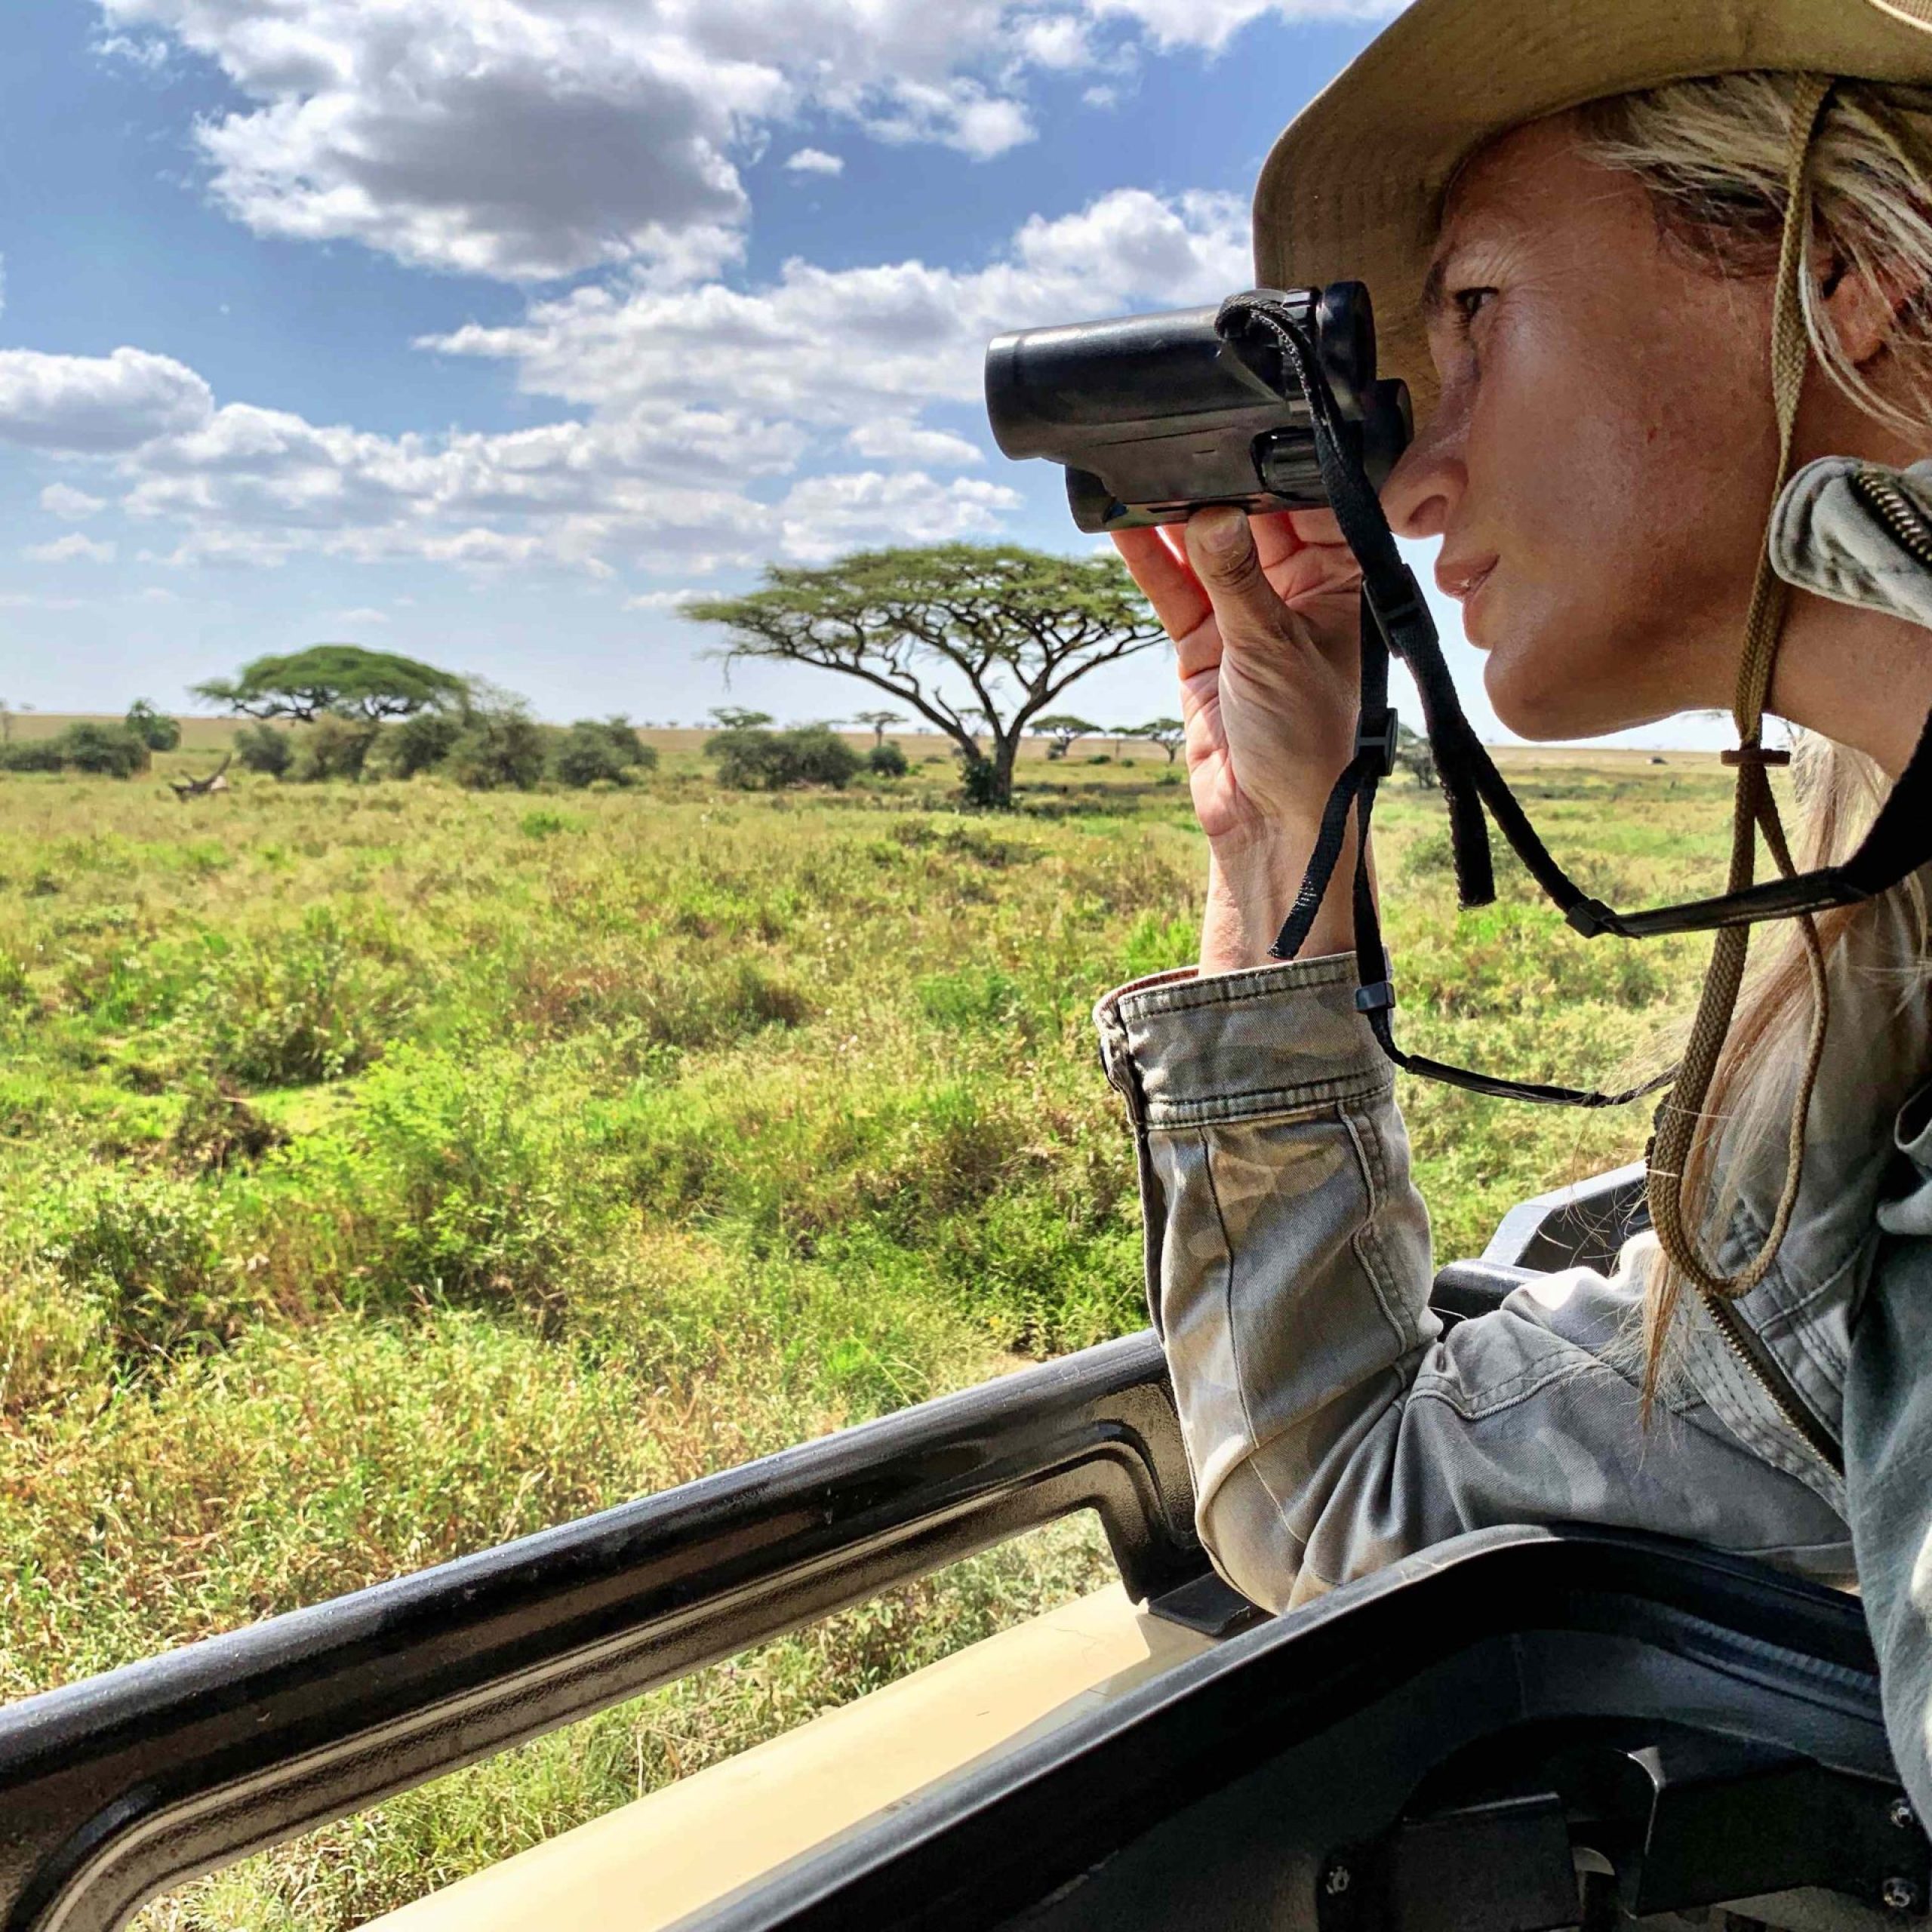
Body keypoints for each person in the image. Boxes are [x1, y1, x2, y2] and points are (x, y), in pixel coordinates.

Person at [1097, 0, 1932, 1826]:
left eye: (1475, 312)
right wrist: (1281, 836)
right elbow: (1350, 1497)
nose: (1410, 482)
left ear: (1841, 276)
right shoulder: (1885, 1002)